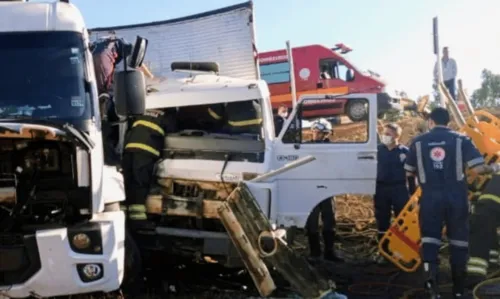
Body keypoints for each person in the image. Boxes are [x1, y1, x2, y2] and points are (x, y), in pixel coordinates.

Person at [404, 107, 500, 298]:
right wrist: (494, 167)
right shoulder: (462, 139)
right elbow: (479, 169)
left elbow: (408, 172)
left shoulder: (418, 142)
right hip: (456, 199)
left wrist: (412, 197)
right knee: (458, 243)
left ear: (430, 121)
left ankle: (432, 289)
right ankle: (458, 291)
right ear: (448, 121)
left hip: (430, 198)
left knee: (429, 242)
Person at [304, 119, 343, 262]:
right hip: (311, 189)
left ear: (326, 134)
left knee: (329, 221)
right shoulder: (304, 147)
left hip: (327, 189)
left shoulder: (333, 149)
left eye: (320, 132)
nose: (316, 135)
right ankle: (314, 253)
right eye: (314, 131)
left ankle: (329, 252)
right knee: (311, 222)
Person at [374, 124, 416, 244]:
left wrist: (412, 193)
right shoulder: (377, 150)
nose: (385, 136)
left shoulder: (405, 152)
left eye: (388, 134)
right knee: (382, 220)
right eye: (384, 133)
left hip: (400, 189)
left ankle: (401, 249)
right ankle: (384, 249)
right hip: (381, 189)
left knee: (402, 219)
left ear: (396, 136)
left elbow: (411, 173)